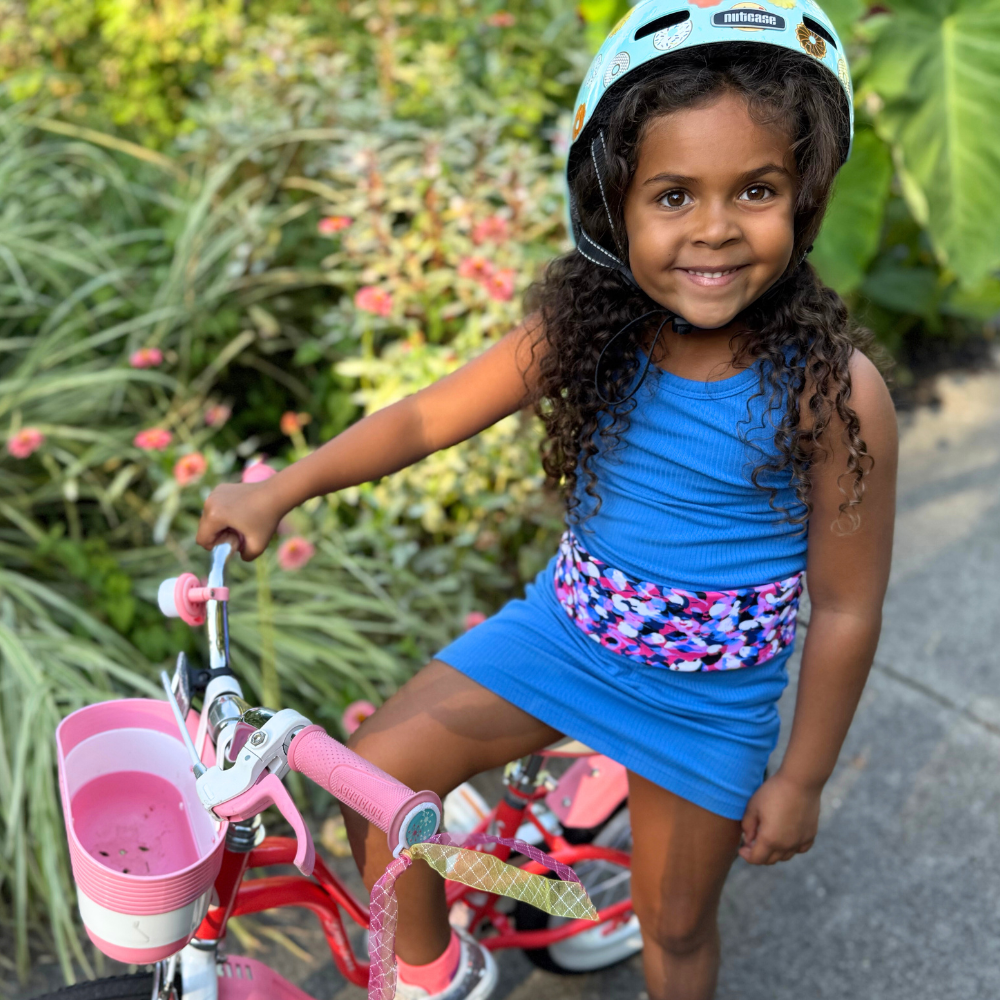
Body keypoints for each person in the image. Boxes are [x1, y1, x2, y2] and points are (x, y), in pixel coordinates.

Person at [196, 1, 897, 996]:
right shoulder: (588, 323)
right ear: (613, 202)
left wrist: (802, 777)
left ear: (807, 199)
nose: (712, 228)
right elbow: (427, 417)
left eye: (755, 189)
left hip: (705, 706)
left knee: (676, 926)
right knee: (377, 774)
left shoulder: (832, 388)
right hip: (567, 635)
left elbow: (846, 604)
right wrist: (283, 487)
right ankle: (437, 973)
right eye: (670, 195)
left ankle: (579, 896)